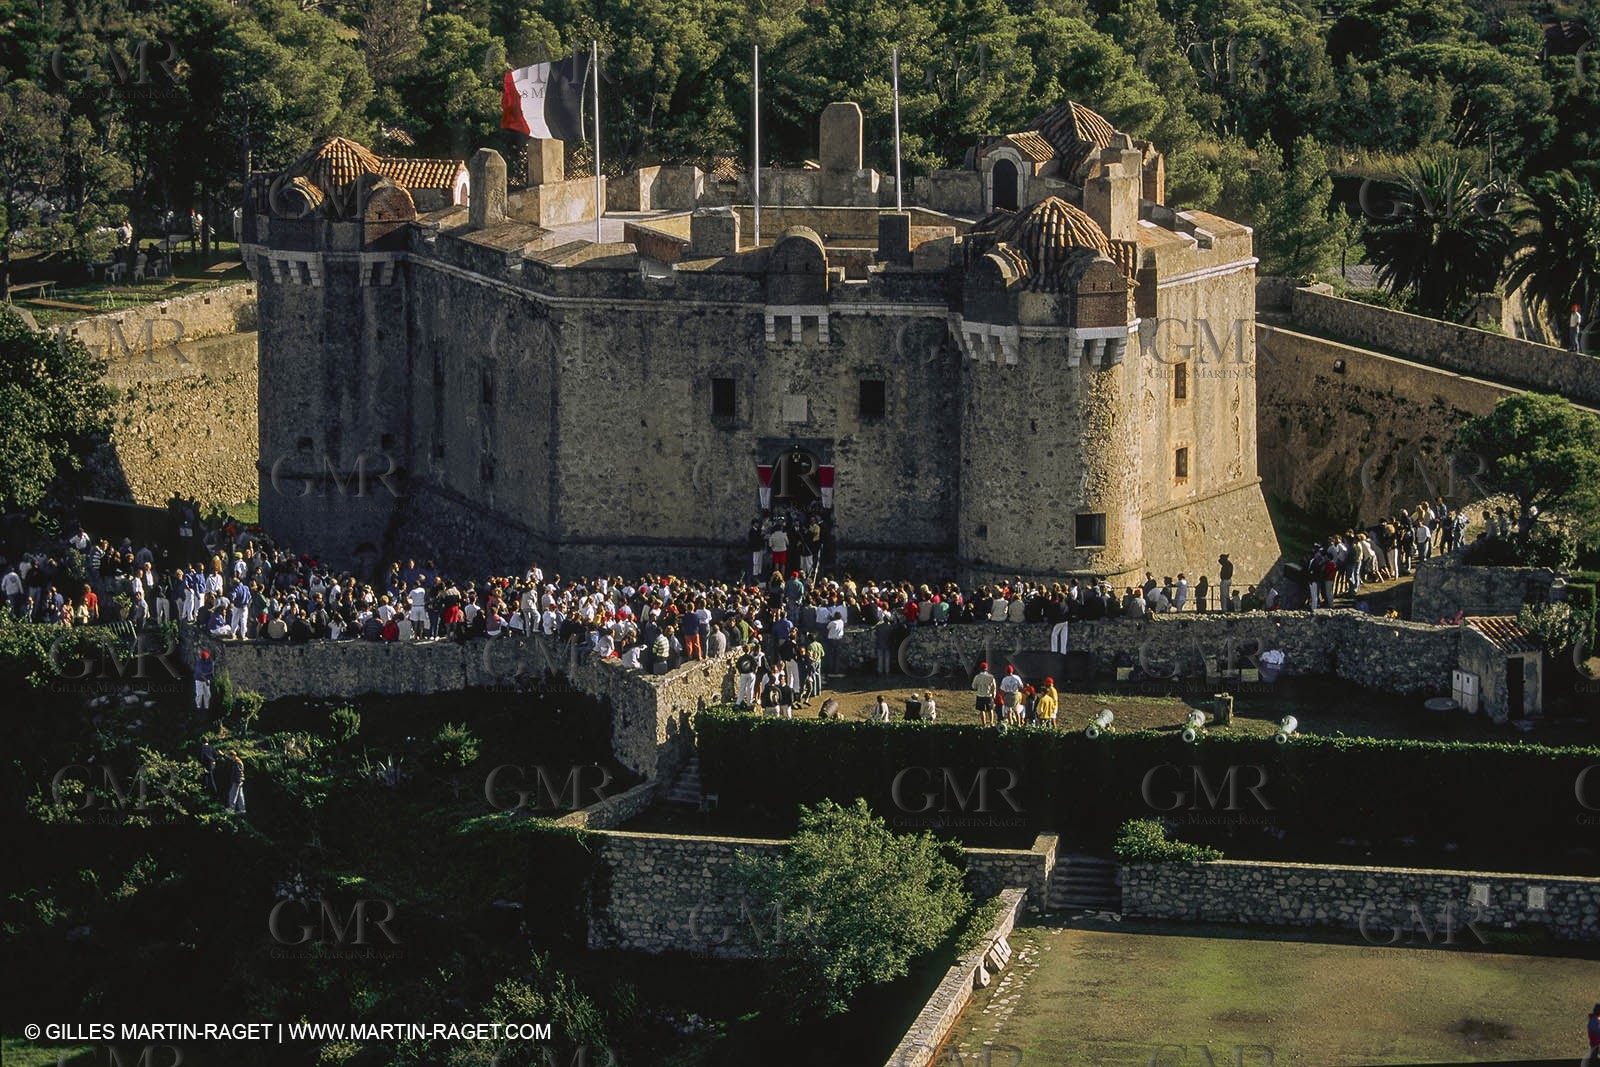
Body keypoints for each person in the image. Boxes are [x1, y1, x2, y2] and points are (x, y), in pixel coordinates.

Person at [972, 661, 997, 727]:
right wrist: (994, 694)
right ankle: (991, 723)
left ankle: (984, 724)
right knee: (990, 710)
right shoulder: (991, 677)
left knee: (982, 710)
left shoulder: (977, 677)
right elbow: (994, 687)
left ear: (980, 668)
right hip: (989, 695)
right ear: (987, 668)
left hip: (980, 695)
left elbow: (973, 686)